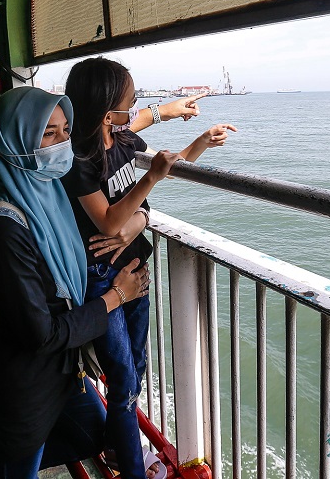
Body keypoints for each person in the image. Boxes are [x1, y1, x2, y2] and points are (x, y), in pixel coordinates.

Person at [63, 57, 236, 479]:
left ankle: (118, 446)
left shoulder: (120, 139)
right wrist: (151, 182)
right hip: (102, 278)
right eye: (130, 100)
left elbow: (162, 162)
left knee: (134, 365)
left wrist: (198, 143)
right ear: (107, 113)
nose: (135, 106)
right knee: (123, 379)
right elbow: (109, 221)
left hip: (134, 268)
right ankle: (128, 462)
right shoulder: (79, 160)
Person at [0, 86, 150, 478]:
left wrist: (134, 224)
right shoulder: (4, 227)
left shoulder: (46, 190)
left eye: (65, 130)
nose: (63, 143)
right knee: (17, 466)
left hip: (62, 374)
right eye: (49, 134)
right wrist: (117, 296)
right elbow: (41, 334)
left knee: (93, 434)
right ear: (15, 139)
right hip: (23, 388)